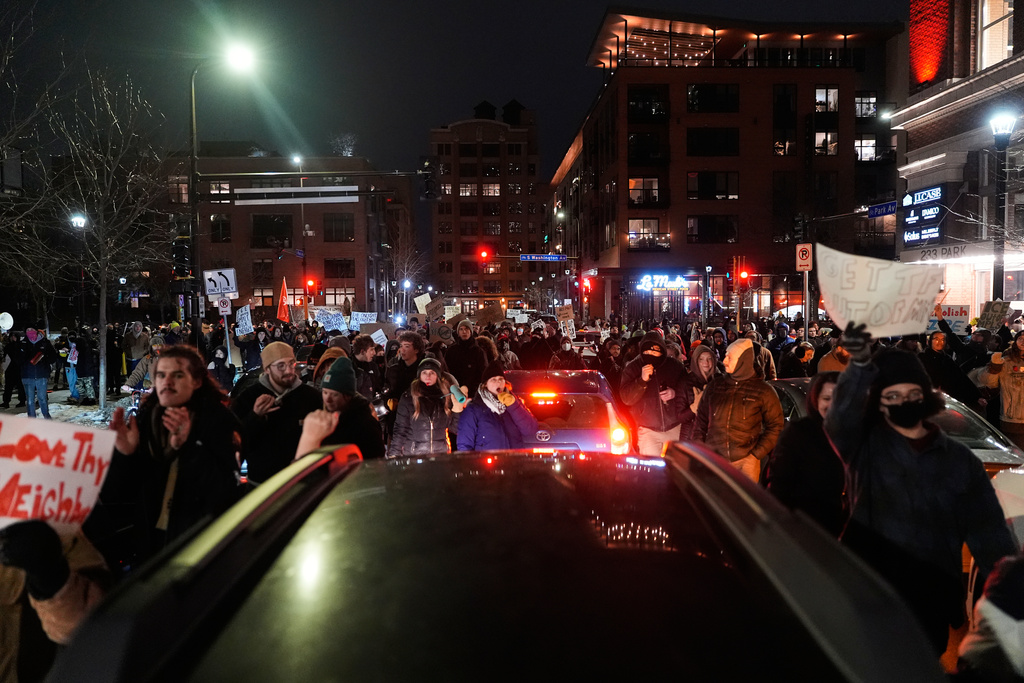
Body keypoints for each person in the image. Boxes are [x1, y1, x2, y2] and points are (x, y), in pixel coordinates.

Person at [827, 325, 1016, 653]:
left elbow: (990, 537)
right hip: (869, 593)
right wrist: (858, 365)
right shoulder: (865, 450)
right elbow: (838, 422)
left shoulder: (959, 462)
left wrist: (1008, 603)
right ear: (879, 403)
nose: (903, 403)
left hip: (930, 597)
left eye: (911, 395)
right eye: (892, 396)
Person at [103, 345, 243, 563]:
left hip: (202, 546)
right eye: (160, 375)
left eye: (177, 375)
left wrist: (189, 447)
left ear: (196, 381)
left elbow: (226, 491)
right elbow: (120, 493)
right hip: (152, 545)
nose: (166, 383)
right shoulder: (145, 420)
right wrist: (124, 455)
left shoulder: (219, 421)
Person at [766, 372, 847, 535]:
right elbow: (779, 485)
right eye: (826, 399)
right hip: (809, 528)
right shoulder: (799, 433)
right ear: (815, 400)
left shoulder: (857, 433)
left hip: (848, 532)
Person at [693, 338, 785, 482]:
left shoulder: (764, 391)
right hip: (715, 460)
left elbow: (776, 426)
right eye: (725, 355)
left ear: (743, 359)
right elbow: (701, 421)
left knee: (742, 503)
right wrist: (700, 448)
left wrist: (755, 455)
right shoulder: (715, 386)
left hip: (746, 463)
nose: (724, 361)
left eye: (730, 357)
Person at [231, 341, 322, 484]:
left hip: (303, 485)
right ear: (267, 369)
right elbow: (235, 442)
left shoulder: (311, 397)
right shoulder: (248, 398)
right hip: (261, 486)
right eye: (280, 366)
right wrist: (255, 416)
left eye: (291, 363)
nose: (288, 370)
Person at [295, 357, 386, 460]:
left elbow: (376, 460)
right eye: (325, 392)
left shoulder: (365, 424)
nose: (327, 399)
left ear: (347, 396)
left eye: (334, 395)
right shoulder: (321, 418)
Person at [620, 332, 691, 456]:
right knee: (651, 469)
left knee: (675, 468)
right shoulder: (632, 368)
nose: (651, 355)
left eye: (655, 352)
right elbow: (626, 398)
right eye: (648, 352)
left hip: (674, 426)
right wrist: (641, 381)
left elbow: (688, 389)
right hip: (648, 430)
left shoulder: (675, 366)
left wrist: (674, 393)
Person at [390, 358, 465, 456]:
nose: (428, 376)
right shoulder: (408, 398)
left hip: (440, 457)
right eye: (424, 372)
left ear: (437, 376)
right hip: (414, 456)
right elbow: (400, 430)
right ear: (419, 375)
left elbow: (455, 429)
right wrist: (393, 455)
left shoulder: (445, 397)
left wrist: (457, 410)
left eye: (432, 373)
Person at [456, 362, 539, 451]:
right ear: (485, 385)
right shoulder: (474, 409)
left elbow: (530, 430)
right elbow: (464, 445)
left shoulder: (514, 402)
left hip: (514, 461)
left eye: (501, 379)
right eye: (493, 380)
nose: (498, 382)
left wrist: (513, 405)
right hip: (487, 463)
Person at [979, 332, 1024, 449]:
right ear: (1015, 341)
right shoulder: (1006, 361)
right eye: (1020, 338)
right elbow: (988, 382)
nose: (1023, 341)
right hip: (1011, 419)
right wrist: (994, 368)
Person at [18, 324, 59, 419]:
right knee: (30, 400)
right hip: (27, 375)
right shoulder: (23, 343)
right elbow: (17, 359)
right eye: (28, 330)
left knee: (42, 398)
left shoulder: (44, 342)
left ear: (36, 330)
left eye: (31, 329)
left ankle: (46, 416)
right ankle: (31, 418)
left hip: (41, 375)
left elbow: (53, 356)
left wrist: (44, 360)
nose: (30, 331)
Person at [445, 320, 487, 397]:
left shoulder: (478, 351)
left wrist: (475, 390)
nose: (464, 331)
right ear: (458, 332)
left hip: (473, 393)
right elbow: (447, 371)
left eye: (466, 329)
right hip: (455, 392)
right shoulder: (451, 351)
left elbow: (483, 372)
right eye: (461, 329)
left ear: (471, 331)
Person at [1, 330, 26, 409]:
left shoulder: (21, 345)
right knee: (8, 386)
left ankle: (22, 401)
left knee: (20, 386)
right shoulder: (8, 346)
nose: (13, 338)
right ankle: (6, 402)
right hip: (10, 369)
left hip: (18, 369)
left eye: (14, 336)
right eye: (11, 336)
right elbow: (5, 357)